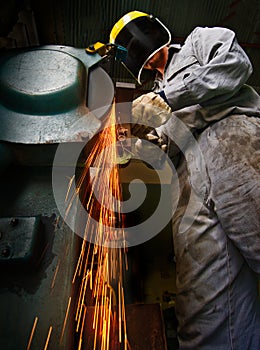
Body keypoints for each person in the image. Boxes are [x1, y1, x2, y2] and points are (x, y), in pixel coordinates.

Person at [110, 10, 260, 350]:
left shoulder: (200, 40)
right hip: (187, 181)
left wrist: (168, 98)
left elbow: (234, 67)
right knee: (202, 306)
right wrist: (142, 141)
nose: (143, 56)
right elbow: (167, 146)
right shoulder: (153, 92)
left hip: (231, 139)